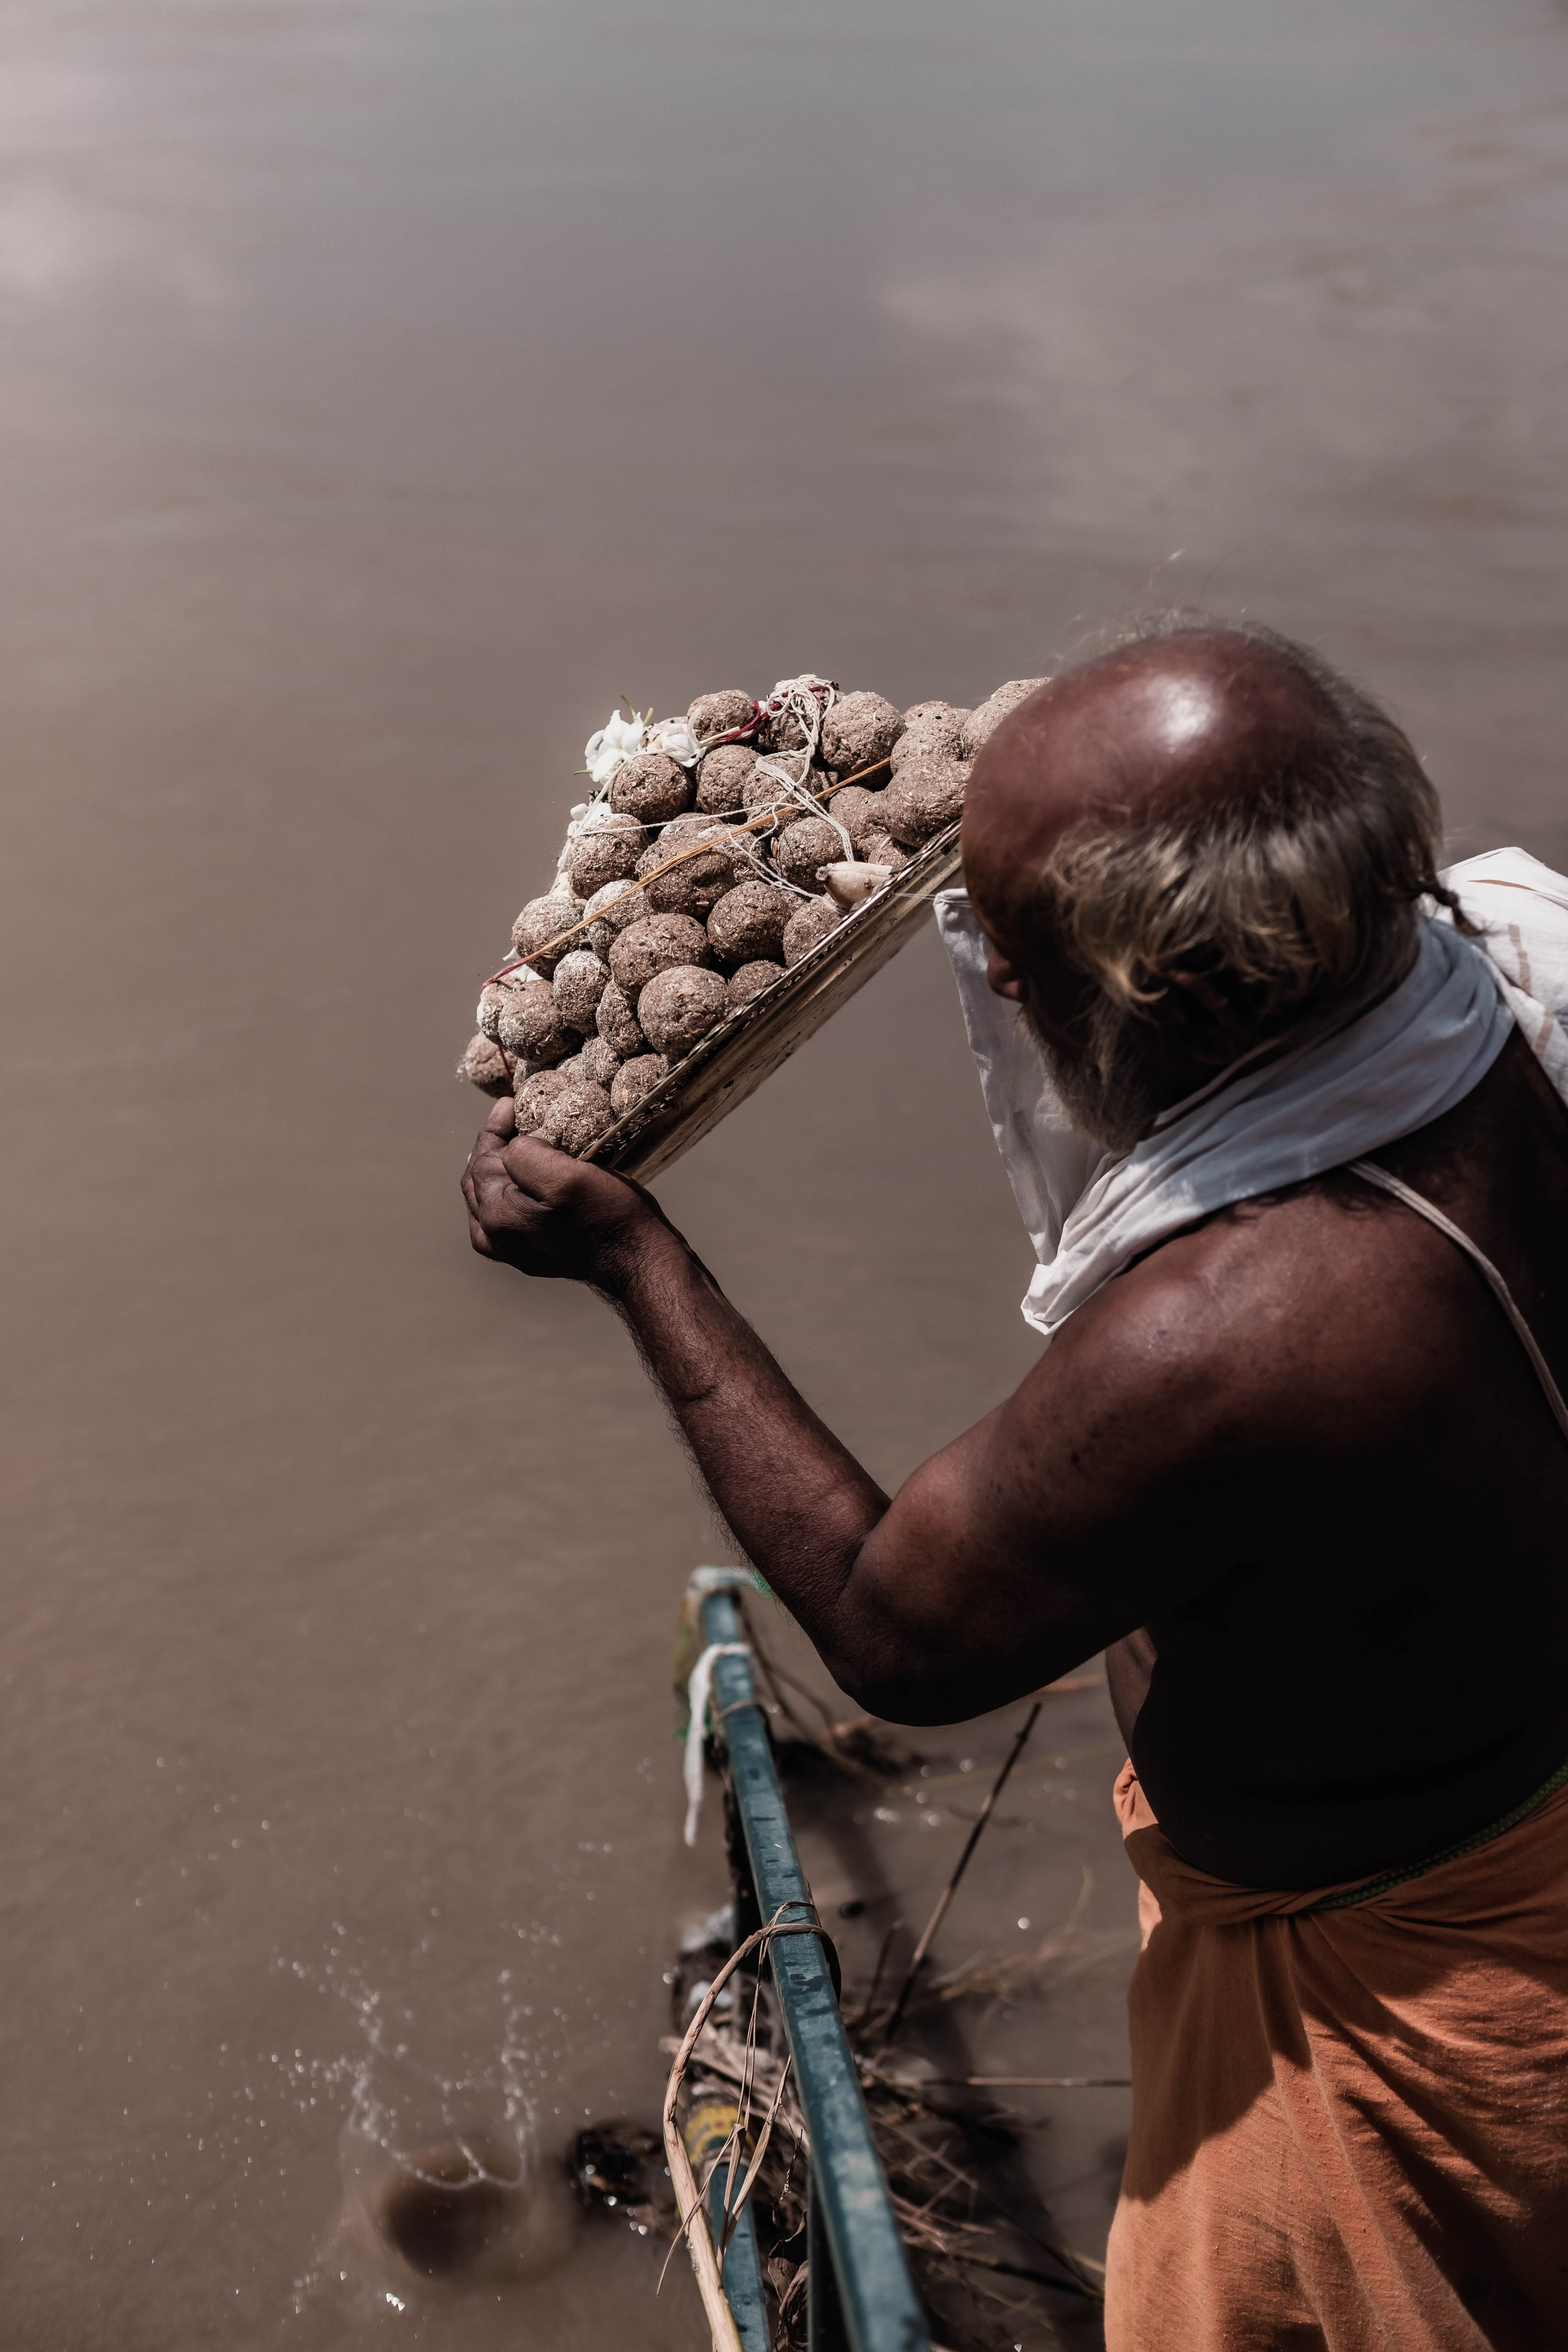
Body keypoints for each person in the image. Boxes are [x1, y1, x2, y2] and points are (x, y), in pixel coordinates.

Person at [462, 619, 1568, 2351]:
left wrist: (639, 1265)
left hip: (1391, 1974)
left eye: (1015, 960)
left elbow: (908, 1633)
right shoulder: (1504, 972)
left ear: (1178, 999)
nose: (990, 981)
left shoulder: (1245, 1327)